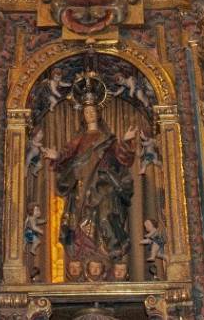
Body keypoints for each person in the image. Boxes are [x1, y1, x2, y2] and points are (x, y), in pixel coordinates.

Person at [51, 100, 138, 280]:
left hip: (104, 187)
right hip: (82, 188)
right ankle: (85, 257)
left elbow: (122, 159)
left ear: (98, 113)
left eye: (92, 111)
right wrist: (57, 157)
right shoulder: (78, 140)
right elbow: (68, 160)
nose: (90, 114)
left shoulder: (108, 139)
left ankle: (106, 256)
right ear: (83, 116)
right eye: (86, 111)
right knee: (81, 222)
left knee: (106, 218)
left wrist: (126, 141)